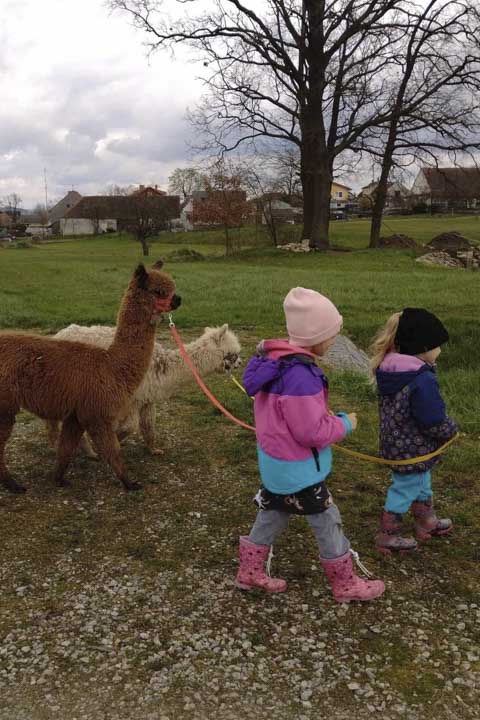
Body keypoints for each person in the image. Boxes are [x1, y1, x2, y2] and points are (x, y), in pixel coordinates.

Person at [235, 287, 385, 603]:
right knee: (328, 520)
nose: (334, 341)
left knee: (273, 513)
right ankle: (345, 584)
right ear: (316, 338)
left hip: (276, 466)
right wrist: (345, 423)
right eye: (332, 335)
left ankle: (249, 572)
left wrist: (317, 414)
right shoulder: (301, 376)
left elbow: (288, 416)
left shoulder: (275, 364)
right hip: (299, 471)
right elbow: (310, 433)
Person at [371, 308, 457, 555]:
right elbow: (432, 419)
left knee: (422, 480)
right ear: (423, 346)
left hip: (395, 443)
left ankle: (426, 521)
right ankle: (387, 534)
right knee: (405, 487)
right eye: (437, 346)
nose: (440, 351)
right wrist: (450, 430)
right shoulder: (422, 379)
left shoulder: (390, 369)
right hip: (414, 447)